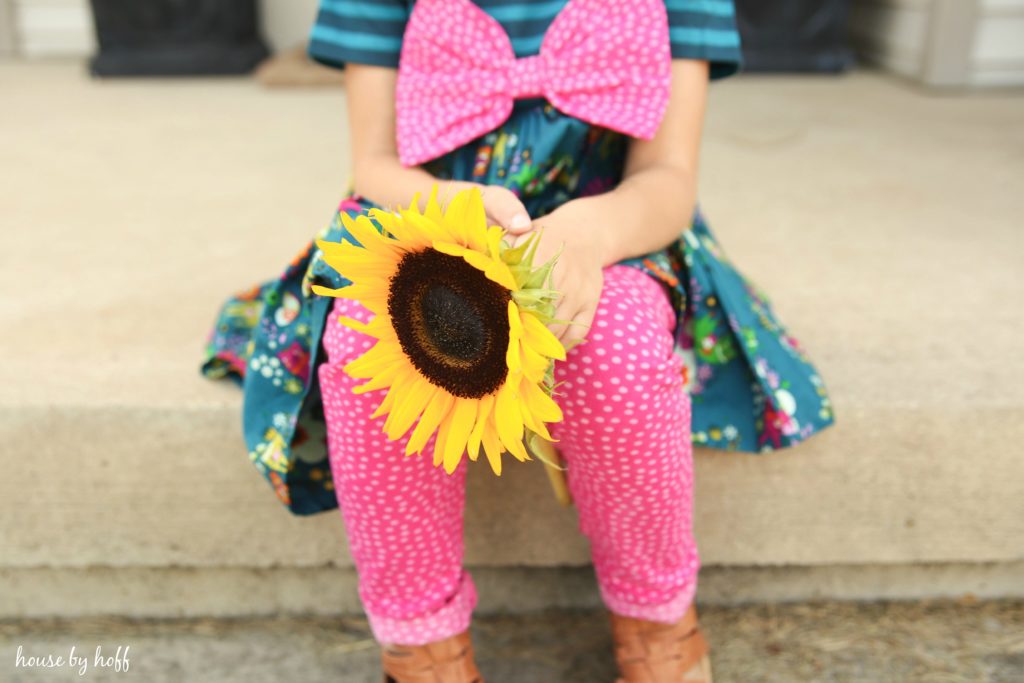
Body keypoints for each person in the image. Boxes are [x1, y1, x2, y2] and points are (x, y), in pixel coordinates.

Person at [202, 1, 836, 681]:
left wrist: (589, 236)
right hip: (429, 218)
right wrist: (449, 210)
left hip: (612, 229)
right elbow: (376, 165)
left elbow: (669, 178)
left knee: (613, 342)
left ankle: (658, 623)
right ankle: (421, 645)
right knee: (369, 334)